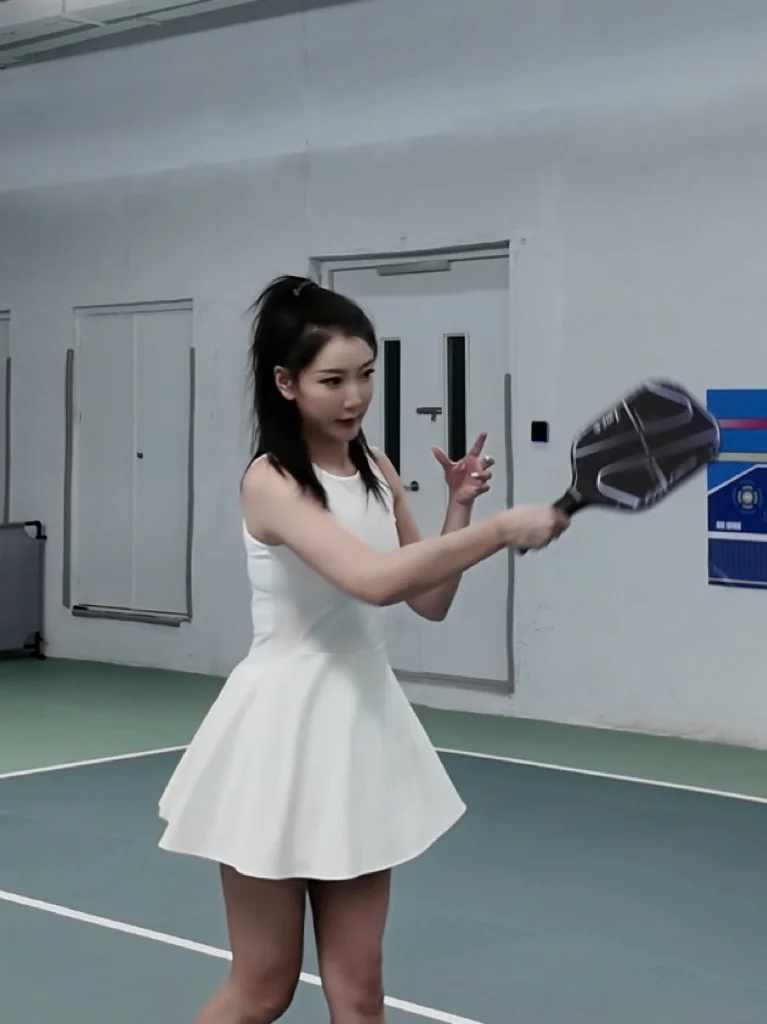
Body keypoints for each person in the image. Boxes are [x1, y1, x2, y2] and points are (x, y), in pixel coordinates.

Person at [157, 275, 568, 1024]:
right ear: (285, 383)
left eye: (367, 374)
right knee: (264, 987)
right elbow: (372, 581)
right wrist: (500, 530)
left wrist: (458, 509)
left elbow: (427, 599)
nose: (355, 397)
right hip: (280, 733)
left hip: (360, 729)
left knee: (360, 990)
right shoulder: (271, 482)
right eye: (333, 380)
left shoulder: (376, 469)